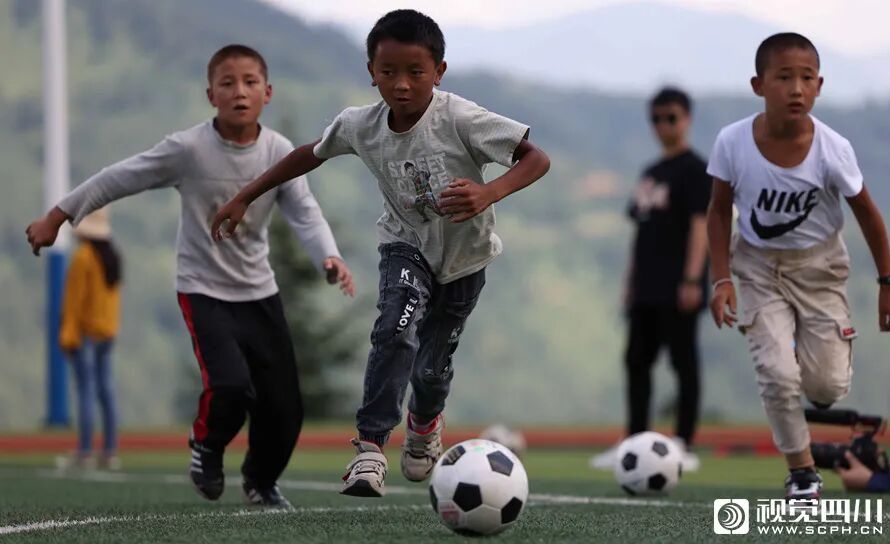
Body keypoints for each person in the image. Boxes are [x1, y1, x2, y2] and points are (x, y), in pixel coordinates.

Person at [211, 10, 551, 498]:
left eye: (416, 72)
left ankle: (424, 422)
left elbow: (535, 157)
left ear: (439, 72)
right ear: (371, 72)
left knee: (431, 369)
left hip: (465, 261)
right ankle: (369, 451)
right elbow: (310, 152)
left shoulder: (460, 118)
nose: (402, 85)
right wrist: (247, 194)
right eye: (388, 71)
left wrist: (488, 193)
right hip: (404, 245)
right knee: (394, 328)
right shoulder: (360, 125)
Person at [26, 44, 355, 508]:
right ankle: (207, 447)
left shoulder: (279, 151)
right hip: (203, 290)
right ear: (210, 95)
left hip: (260, 292)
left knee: (284, 407)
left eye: (249, 82)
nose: (239, 91)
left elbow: (304, 212)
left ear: (268, 93)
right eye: (227, 83)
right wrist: (58, 216)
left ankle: (261, 482)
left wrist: (330, 255)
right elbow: (118, 177)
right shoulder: (188, 149)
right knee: (230, 387)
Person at [706, 33, 890, 500]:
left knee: (827, 387)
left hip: (819, 268)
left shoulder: (833, 149)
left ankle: (798, 358)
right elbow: (717, 212)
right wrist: (722, 278)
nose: (796, 88)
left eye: (806, 78)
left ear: (819, 86)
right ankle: (802, 471)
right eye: (784, 77)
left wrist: (889, 283)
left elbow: (869, 215)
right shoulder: (732, 142)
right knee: (776, 374)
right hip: (755, 265)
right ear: (758, 85)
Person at [590, 88, 710, 473]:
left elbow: (701, 225)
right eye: (656, 119)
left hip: (679, 286)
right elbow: (640, 234)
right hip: (646, 288)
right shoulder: (651, 174)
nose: (663, 126)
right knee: (636, 363)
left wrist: (692, 279)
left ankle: (684, 443)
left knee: (683, 362)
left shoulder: (695, 170)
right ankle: (635, 441)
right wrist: (630, 283)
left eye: (671, 117)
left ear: (687, 119)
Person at [56, 208, 122, 472]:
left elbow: (73, 303)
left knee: (85, 391)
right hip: (107, 333)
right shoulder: (113, 257)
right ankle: (109, 450)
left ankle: (85, 451)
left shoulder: (83, 257)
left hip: (86, 335)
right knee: (106, 391)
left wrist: (67, 335)